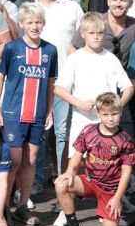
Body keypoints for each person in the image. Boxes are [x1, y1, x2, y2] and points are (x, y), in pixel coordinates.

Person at [0, 2, 57, 226]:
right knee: (14, 160)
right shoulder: (12, 47)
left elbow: (51, 84)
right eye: (29, 22)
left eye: (38, 22)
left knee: (31, 160)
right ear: (21, 24)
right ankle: (4, 206)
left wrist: (49, 111)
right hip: (13, 113)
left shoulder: (50, 50)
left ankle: (23, 205)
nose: (34, 26)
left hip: (37, 115)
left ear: (44, 23)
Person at [52, 92, 134, 226]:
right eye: (106, 114)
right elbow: (77, 155)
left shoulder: (126, 140)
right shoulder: (88, 131)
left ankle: (113, 218)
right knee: (61, 183)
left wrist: (117, 198)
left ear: (121, 112)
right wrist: (69, 172)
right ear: (98, 114)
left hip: (110, 190)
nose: (110, 118)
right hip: (90, 181)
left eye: (114, 114)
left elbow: (126, 172)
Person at [54, 13, 133, 164]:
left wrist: (117, 106)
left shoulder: (111, 59)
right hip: (81, 120)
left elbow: (128, 87)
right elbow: (59, 88)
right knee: (79, 165)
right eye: (92, 33)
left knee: (106, 163)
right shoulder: (74, 59)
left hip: (107, 123)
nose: (96, 37)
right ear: (82, 34)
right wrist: (79, 103)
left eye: (100, 33)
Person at [31, 0, 84, 177]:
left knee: (63, 132)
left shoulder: (73, 7)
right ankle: (36, 180)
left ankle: (62, 177)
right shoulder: (31, 7)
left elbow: (83, 39)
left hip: (64, 79)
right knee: (38, 131)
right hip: (36, 78)